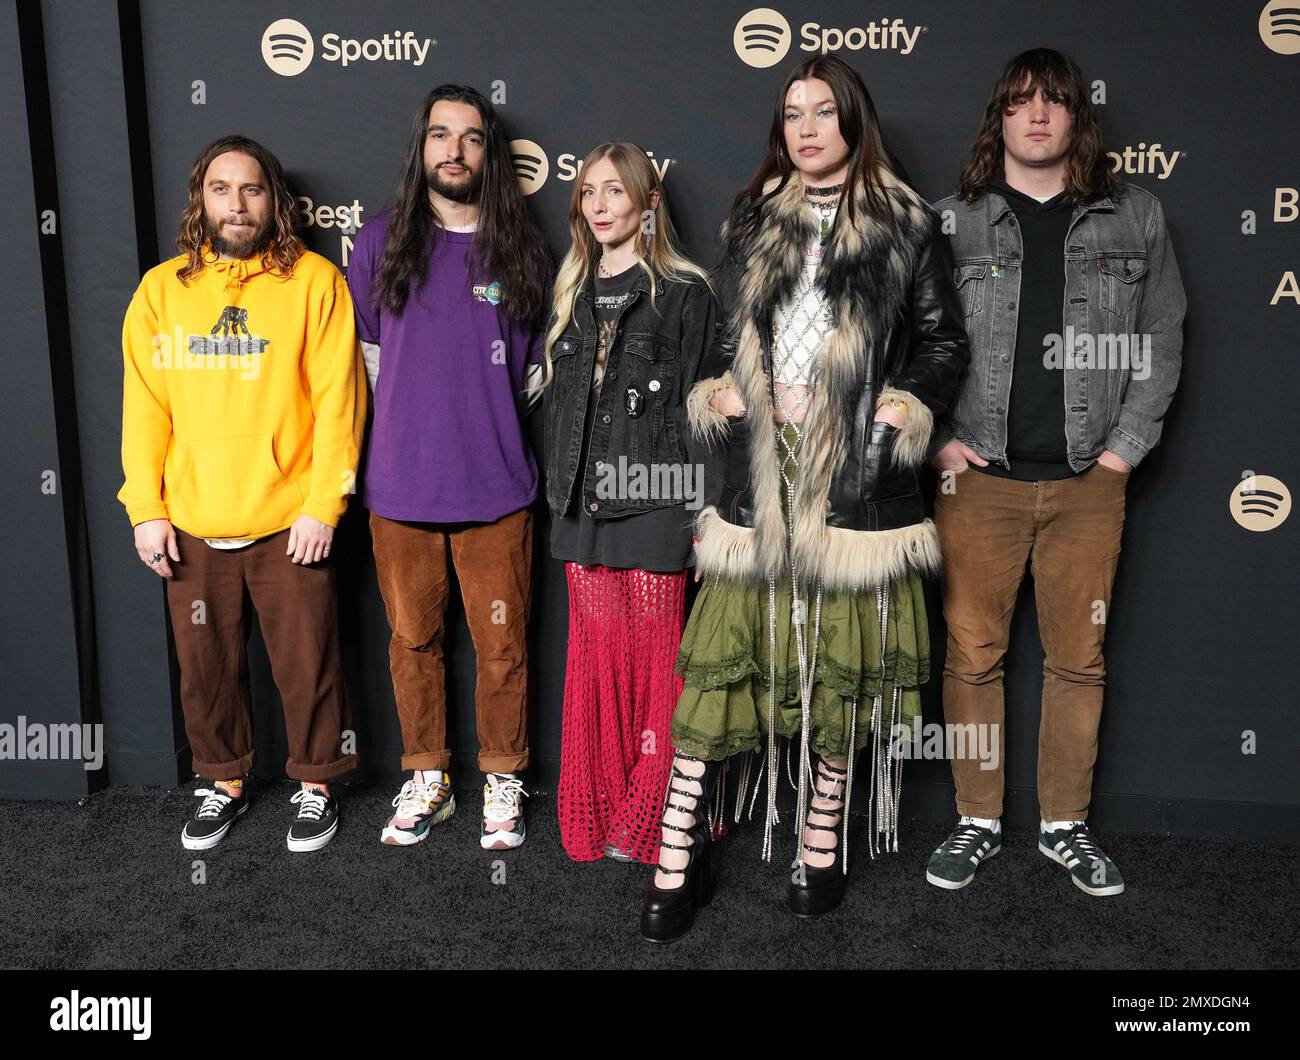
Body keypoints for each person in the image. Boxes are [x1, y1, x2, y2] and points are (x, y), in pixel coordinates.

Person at [640, 55, 969, 941]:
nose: (808, 127)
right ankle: (678, 844)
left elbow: (942, 341)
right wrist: (719, 390)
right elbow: (725, 339)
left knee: (842, 654)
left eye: (825, 112)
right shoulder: (753, 220)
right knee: (724, 650)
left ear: (854, 122)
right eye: (793, 113)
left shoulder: (907, 223)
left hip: (855, 473)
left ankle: (820, 833)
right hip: (764, 471)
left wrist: (902, 403)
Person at [926, 49, 1185, 897]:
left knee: (1079, 658)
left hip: (1087, 481)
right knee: (971, 658)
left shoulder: (1134, 215)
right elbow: (908, 343)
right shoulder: (949, 221)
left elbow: (1160, 338)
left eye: (1055, 101)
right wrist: (937, 444)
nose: (1038, 115)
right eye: (1021, 101)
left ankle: (1064, 827)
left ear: (1079, 116)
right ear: (998, 116)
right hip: (979, 477)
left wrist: (1122, 454)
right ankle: (975, 820)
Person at [119, 134, 366, 852]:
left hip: (289, 517)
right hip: (194, 519)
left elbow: (339, 405)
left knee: (308, 664)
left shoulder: (315, 282)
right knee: (205, 671)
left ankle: (316, 785)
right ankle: (221, 781)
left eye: (252, 189)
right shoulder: (161, 291)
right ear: (201, 198)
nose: (237, 203)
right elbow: (144, 408)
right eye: (222, 189)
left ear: (274, 200)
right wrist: (147, 509)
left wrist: (325, 504)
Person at [347, 85, 552, 851]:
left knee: (502, 648)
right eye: (441, 135)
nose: (455, 150)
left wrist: (477, 426)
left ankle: (502, 777)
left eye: (470, 137)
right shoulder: (377, 244)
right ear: (422, 148)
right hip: (399, 489)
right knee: (412, 644)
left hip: (496, 491)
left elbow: (532, 376)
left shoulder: (522, 249)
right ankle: (427, 776)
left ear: (487, 153)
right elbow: (368, 365)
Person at [542, 143, 716, 864]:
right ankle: (607, 808)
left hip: (658, 502)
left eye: (616, 191)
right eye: (588, 193)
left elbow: (708, 414)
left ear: (648, 204)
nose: (600, 205)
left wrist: (708, 519)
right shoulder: (570, 294)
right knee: (596, 663)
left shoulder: (686, 293)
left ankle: (656, 818)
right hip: (580, 507)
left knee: (656, 666)